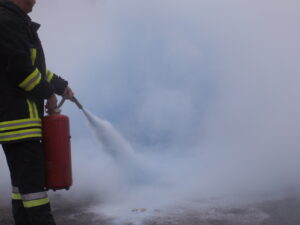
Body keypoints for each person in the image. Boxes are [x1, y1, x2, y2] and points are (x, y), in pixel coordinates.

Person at [0, 0, 74, 224]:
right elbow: (20, 68)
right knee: (34, 193)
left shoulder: (14, 21)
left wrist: (60, 85)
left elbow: (35, 68)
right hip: (19, 122)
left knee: (22, 188)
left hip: (19, 123)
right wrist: (48, 94)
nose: (35, 1)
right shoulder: (7, 21)